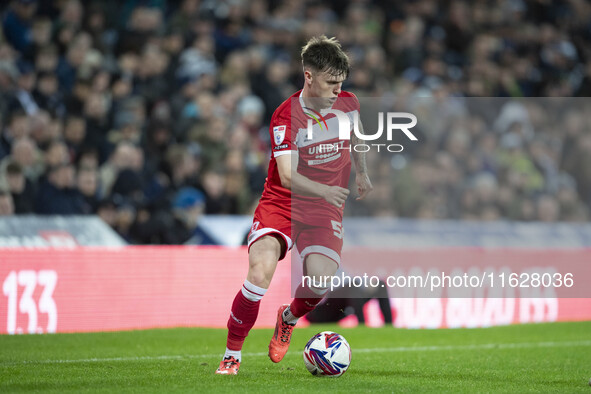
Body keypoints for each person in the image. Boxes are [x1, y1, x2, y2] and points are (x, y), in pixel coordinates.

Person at [215, 36, 373, 375]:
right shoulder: (286, 116)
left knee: (319, 283)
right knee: (259, 274)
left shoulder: (348, 103)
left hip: (322, 211)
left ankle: (287, 318)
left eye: (341, 83)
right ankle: (232, 355)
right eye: (331, 83)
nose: (337, 90)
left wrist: (361, 172)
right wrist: (326, 191)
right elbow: (287, 177)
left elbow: (356, 137)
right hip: (281, 204)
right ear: (308, 76)